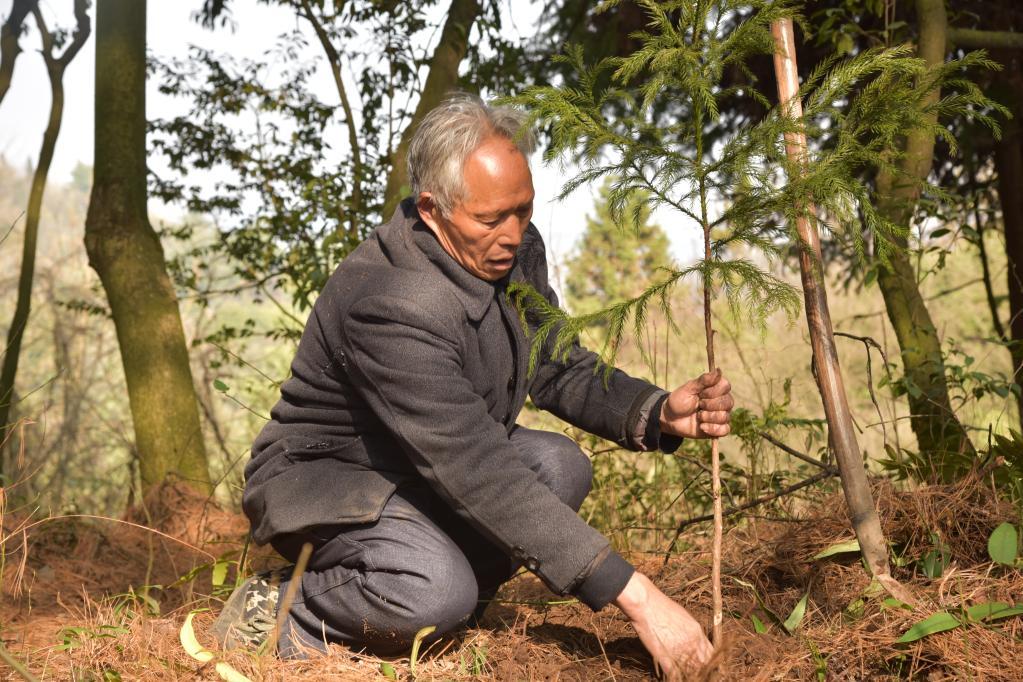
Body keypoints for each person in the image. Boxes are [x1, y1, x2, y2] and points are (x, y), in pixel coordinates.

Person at [214, 92, 733, 679]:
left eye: (524, 210)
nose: (513, 235)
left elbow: (555, 362)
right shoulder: (391, 301)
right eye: (491, 219)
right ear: (433, 210)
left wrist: (658, 410)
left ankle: (440, 605)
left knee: (560, 467)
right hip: (334, 480)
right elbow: (477, 468)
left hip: (414, 468)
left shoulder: (510, 252)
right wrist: (638, 597)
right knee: (434, 591)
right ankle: (286, 610)